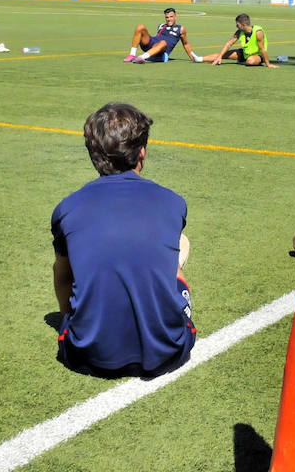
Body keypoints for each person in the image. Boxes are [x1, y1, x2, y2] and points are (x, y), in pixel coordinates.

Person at [52, 103, 195, 378]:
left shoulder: (67, 208)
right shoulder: (173, 203)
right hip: (166, 352)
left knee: (66, 267)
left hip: (85, 356)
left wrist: (67, 318)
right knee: (174, 268)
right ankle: (175, 267)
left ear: (93, 155)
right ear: (142, 152)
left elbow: (63, 276)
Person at [124, 8, 202, 63]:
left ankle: (141, 58)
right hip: (153, 44)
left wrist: (193, 57)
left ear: (175, 17)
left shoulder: (181, 29)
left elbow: (186, 44)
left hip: (162, 51)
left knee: (163, 42)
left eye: (171, 17)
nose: (169, 19)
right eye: (167, 17)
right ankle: (132, 55)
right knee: (140, 27)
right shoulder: (161, 25)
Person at [211, 14, 276, 68]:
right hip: (245, 53)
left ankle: (244, 61)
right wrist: (220, 56)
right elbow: (229, 44)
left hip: (257, 56)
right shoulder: (239, 32)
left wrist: (268, 64)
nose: (236, 26)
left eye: (237, 25)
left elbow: (262, 49)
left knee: (250, 61)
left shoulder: (258, 32)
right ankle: (200, 59)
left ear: (243, 24)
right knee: (221, 54)